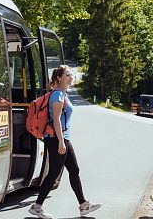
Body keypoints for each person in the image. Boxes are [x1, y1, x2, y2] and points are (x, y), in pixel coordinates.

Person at [28, 65, 101, 218]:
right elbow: (55, 119)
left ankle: (83, 205)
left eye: (71, 75)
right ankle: (37, 206)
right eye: (67, 75)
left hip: (63, 138)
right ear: (59, 78)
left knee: (74, 170)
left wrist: (63, 140)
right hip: (56, 138)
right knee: (54, 172)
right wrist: (61, 141)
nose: (70, 77)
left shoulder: (63, 95)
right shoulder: (57, 96)